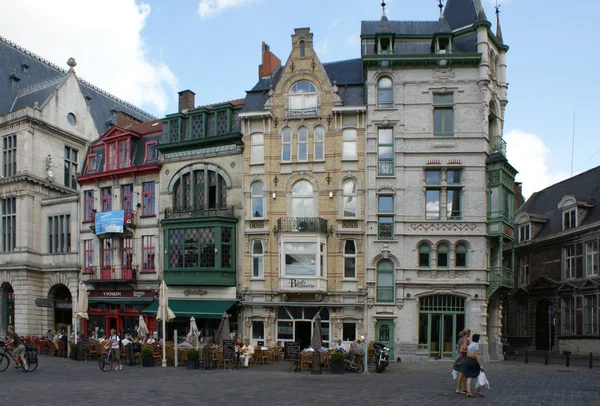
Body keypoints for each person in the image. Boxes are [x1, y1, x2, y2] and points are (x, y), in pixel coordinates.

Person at [464, 333, 484, 398]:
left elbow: (468, 353)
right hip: (473, 362)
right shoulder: (476, 345)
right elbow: (476, 355)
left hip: (467, 361)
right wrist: (480, 364)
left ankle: (468, 392)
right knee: (479, 375)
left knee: (469, 376)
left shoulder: (470, 345)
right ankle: (478, 389)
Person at [454, 329, 470, 395]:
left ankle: (464, 388)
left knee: (464, 374)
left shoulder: (461, 339)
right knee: (461, 374)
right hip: (463, 358)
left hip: (460, 358)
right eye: (469, 333)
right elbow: (462, 350)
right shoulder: (465, 339)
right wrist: (469, 352)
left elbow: (458, 350)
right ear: (467, 333)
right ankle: (458, 389)